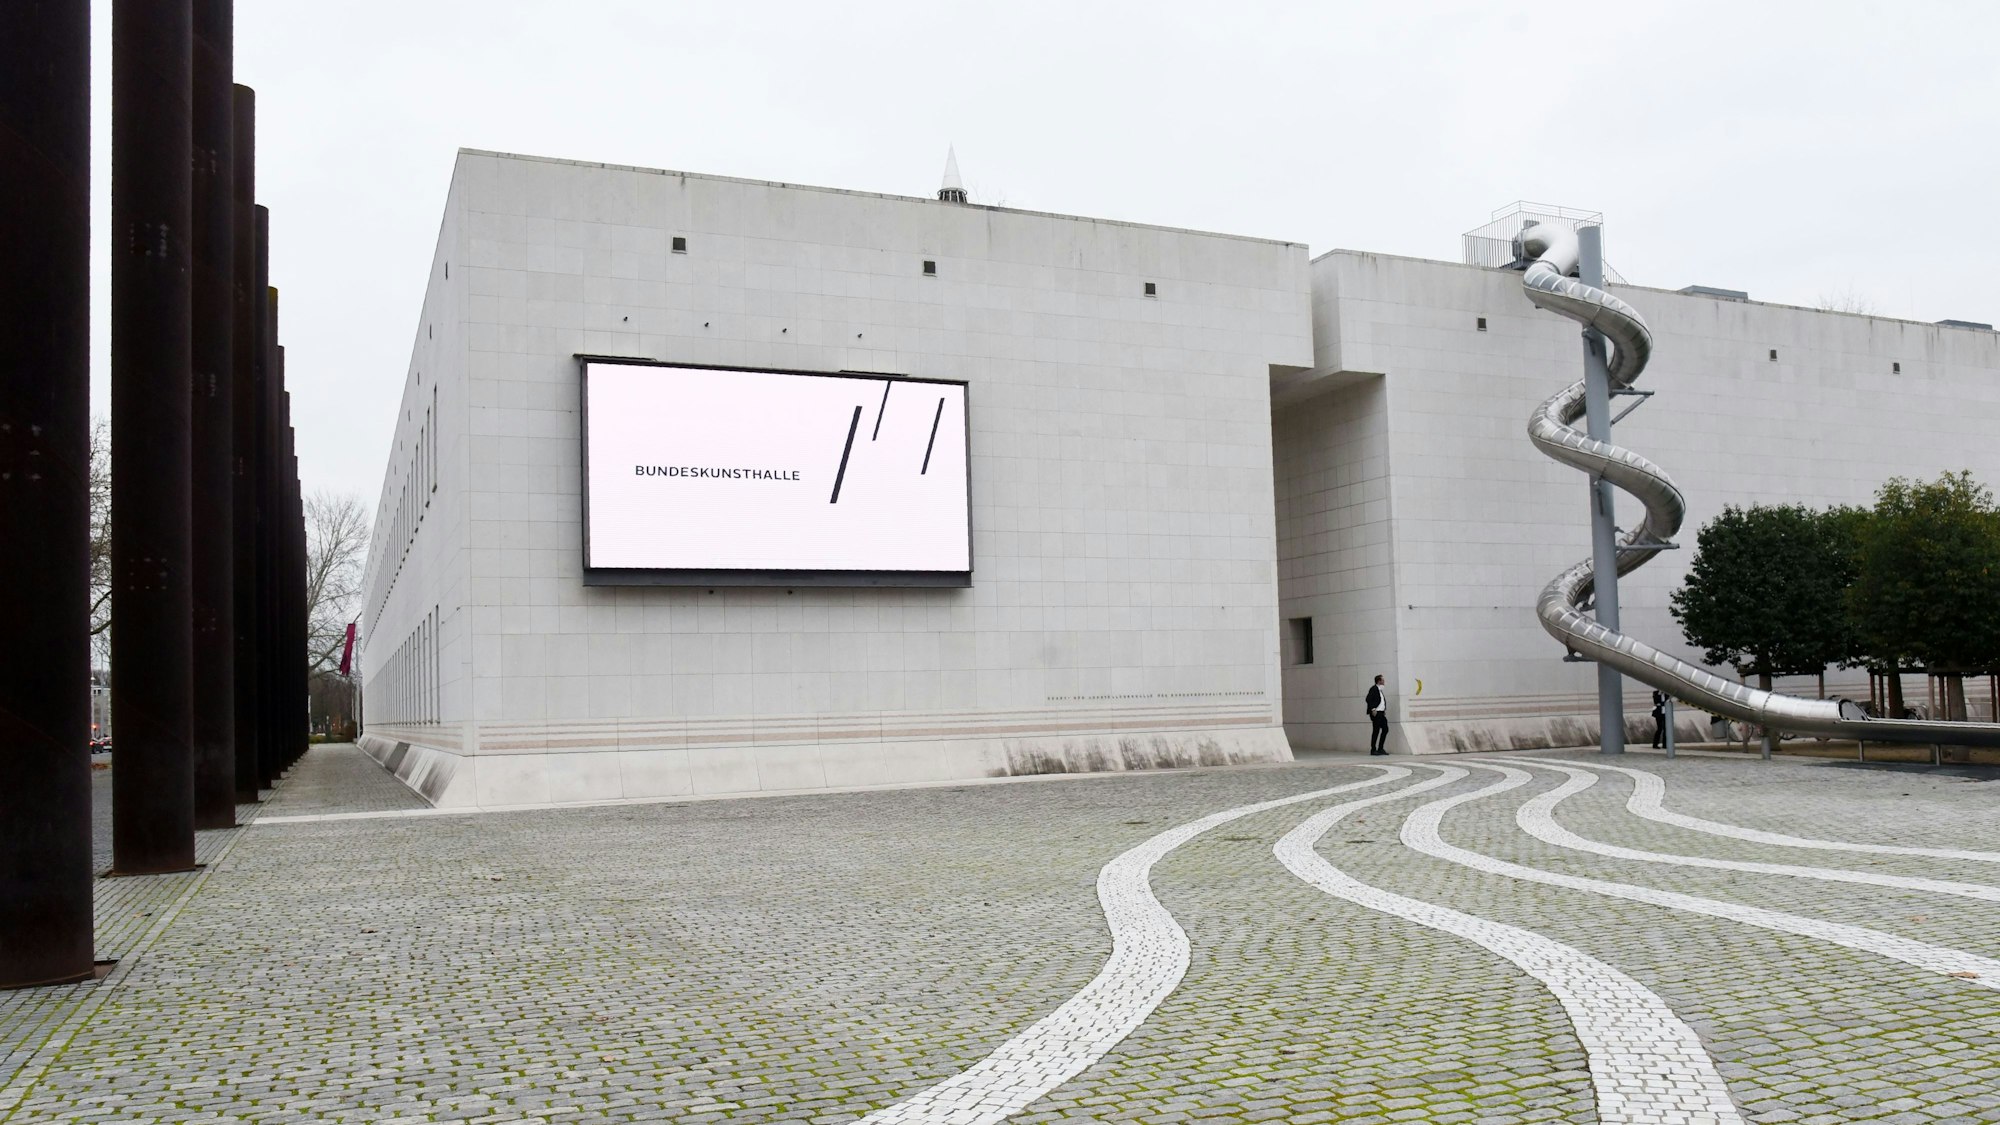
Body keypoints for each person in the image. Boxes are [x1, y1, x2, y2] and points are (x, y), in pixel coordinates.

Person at [1365, 675, 1389, 755]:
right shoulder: (1374, 689)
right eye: (1383, 680)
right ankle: (1373, 750)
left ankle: (1380, 748)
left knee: (1385, 729)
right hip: (1376, 713)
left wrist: (1383, 709)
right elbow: (1368, 699)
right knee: (1376, 730)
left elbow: (1381, 701)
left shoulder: (1380, 690)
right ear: (1379, 681)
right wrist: (1373, 709)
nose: (1384, 682)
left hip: (1381, 713)